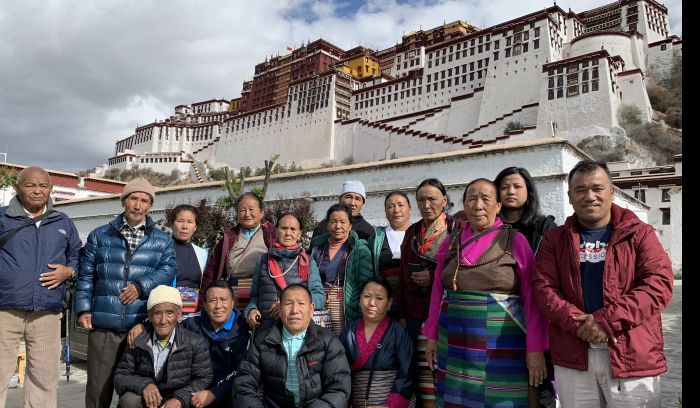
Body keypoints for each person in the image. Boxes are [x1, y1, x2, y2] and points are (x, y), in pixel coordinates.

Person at [532, 160, 674, 408]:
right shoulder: (555, 240)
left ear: (612, 191)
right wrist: (580, 324)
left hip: (631, 354)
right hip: (574, 354)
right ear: (570, 196)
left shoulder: (640, 233)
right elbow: (544, 289)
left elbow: (657, 285)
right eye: (580, 190)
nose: (590, 196)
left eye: (597, 188)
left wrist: (604, 321)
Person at [424, 178, 549, 408]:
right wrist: (431, 336)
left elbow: (533, 298)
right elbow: (437, 292)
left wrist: (535, 348)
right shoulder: (450, 242)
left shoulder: (515, 241)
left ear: (498, 206)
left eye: (485, 199)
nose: (478, 205)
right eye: (471, 199)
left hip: (501, 346)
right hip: (454, 344)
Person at [74, 177, 177, 408]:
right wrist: (83, 308)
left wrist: (141, 286)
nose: (138, 205)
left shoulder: (162, 240)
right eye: (133, 198)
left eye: (144, 200)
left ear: (150, 206)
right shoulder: (99, 235)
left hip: (140, 325)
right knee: (98, 390)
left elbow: (169, 269)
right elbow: (86, 275)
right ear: (124, 201)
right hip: (104, 326)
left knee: (133, 391)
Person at [0, 167, 81, 408]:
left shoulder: (63, 221)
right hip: (4, 310)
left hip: (47, 312)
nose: (37, 190)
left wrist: (70, 271)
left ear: (50, 189)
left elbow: (75, 254)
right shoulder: (3, 218)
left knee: (44, 379)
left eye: (43, 186)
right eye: (30, 185)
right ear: (17, 188)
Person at [127, 280, 251, 407]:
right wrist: (142, 324)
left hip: (224, 392)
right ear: (205, 304)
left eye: (223, 299)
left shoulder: (244, 331)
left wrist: (214, 393)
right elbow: (167, 319)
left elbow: (241, 372)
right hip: (191, 388)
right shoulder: (192, 321)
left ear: (232, 302)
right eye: (212, 300)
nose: (218, 305)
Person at [494, 166, 558, 407]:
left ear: (529, 192)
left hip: (535, 318)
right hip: (498, 322)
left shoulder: (544, 229)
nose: (510, 191)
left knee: (538, 385)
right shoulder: (488, 231)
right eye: (504, 186)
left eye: (517, 186)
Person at [234, 284, 352, 407]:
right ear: (279, 310)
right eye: (288, 304)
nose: (295, 310)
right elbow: (243, 386)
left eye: (301, 303)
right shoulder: (263, 342)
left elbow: (339, 388)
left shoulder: (328, 341)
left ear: (311, 309)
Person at [396, 178, 456, 407]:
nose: (427, 204)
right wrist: (402, 311)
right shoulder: (412, 232)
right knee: (420, 372)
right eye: (421, 200)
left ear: (444, 200)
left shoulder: (456, 228)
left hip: (444, 312)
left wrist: (434, 277)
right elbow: (402, 274)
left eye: (432, 198)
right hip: (414, 311)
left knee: (444, 369)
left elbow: (461, 266)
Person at [114, 285, 213, 408]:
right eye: (157, 313)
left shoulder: (195, 342)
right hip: (147, 399)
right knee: (129, 400)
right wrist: (144, 385)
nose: (163, 320)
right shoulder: (137, 340)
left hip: (177, 399)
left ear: (179, 315)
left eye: (169, 313)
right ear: (149, 317)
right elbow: (120, 376)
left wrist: (180, 399)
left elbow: (204, 378)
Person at [245, 212, 326, 332]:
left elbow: (319, 297)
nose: (288, 233)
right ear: (276, 231)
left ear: (299, 234)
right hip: (265, 329)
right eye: (284, 228)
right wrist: (251, 310)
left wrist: (288, 304)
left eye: (293, 229)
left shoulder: (308, 262)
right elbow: (255, 297)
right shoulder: (263, 261)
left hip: (296, 330)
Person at [341, 277, 415, 407]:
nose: (371, 303)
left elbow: (407, 372)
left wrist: (389, 406)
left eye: (379, 298)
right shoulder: (348, 333)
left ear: (389, 303)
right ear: (359, 298)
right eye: (367, 296)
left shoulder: (399, 332)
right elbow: (340, 373)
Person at [199, 192, 275, 312]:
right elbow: (211, 272)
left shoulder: (272, 234)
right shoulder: (228, 237)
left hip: (263, 291)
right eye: (242, 210)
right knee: (237, 327)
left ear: (262, 213)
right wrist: (202, 305)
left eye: (251, 209)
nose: (247, 214)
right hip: (234, 294)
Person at [309, 203, 373, 335]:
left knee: (343, 343)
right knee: (319, 341)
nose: (338, 226)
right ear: (327, 225)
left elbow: (365, 285)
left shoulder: (359, 249)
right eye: (333, 221)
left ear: (350, 225)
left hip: (346, 306)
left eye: (343, 222)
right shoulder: (318, 247)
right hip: (319, 305)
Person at [367, 191, 411, 318]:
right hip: (382, 301)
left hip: (411, 300)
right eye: (390, 206)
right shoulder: (376, 237)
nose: (396, 210)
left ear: (409, 209)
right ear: (385, 212)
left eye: (400, 205)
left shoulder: (417, 234)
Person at [169, 204, 208, 314]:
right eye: (180, 221)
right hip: (169, 307)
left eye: (190, 222)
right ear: (172, 224)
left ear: (195, 226)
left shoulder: (202, 254)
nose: (184, 226)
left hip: (195, 312)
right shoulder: (163, 250)